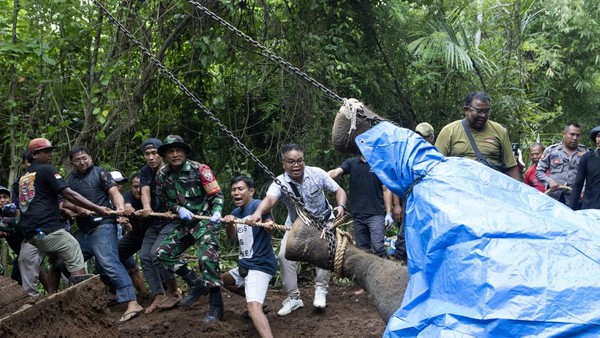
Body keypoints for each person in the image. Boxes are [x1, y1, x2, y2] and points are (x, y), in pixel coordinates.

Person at [247, 144, 348, 316]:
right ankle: (294, 297)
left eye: (300, 161)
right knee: (283, 256)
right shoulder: (280, 182)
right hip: (297, 224)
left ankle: (321, 290)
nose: (296, 165)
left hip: (323, 221)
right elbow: (270, 199)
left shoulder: (317, 173)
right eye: (291, 161)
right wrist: (257, 213)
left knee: (323, 253)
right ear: (283, 163)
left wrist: (340, 206)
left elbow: (338, 190)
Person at [18, 138, 110, 291]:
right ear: (34, 155)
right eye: (46, 152)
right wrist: (98, 208)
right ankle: (83, 295)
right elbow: (69, 194)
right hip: (46, 229)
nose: (50, 154)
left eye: (50, 151)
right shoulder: (47, 169)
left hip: (34, 234)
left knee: (56, 256)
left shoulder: (25, 176)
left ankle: (53, 296)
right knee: (72, 246)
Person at [64, 146, 143, 324]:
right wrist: (77, 209)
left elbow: (114, 193)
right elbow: (65, 201)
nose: (82, 162)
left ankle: (132, 302)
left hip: (103, 225)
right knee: (66, 263)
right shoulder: (71, 180)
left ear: (90, 157)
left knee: (108, 261)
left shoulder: (101, 173)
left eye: (84, 158)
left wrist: (120, 208)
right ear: (72, 163)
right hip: (83, 229)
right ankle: (92, 300)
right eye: (77, 160)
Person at [155, 135, 225, 323]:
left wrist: (217, 212)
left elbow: (216, 195)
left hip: (205, 221)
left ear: (185, 152)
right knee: (162, 253)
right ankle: (196, 283)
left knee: (207, 259)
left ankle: (216, 303)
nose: (175, 154)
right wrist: (178, 208)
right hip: (185, 223)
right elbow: (165, 200)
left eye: (179, 150)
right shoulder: (162, 175)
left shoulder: (200, 169)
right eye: (171, 151)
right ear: (165, 155)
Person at [221, 176, 276, 338]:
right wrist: (230, 223)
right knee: (225, 279)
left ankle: (256, 306)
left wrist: (267, 224)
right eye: (233, 190)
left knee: (252, 308)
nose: (236, 193)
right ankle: (257, 300)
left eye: (240, 189)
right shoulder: (236, 212)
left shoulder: (258, 205)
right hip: (245, 264)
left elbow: (270, 227)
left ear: (251, 191)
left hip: (260, 264)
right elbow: (231, 237)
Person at [136, 138, 180, 314]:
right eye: (147, 154)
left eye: (154, 153)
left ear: (161, 153)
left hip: (172, 220)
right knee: (145, 256)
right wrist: (146, 207)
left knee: (157, 253)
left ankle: (173, 292)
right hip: (155, 221)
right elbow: (145, 190)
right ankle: (158, 295)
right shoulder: (146, 171)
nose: (151, 157)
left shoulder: (170, 169)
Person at [435, 91, 520, 180]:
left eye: (486, 111)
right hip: (458, 187)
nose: (483, 115)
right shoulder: (449, 131)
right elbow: (436, 164)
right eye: (478, 111)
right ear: (466, 110)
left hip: (491, 187)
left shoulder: (499, 131)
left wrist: (517, 192)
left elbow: (511, 166)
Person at [328, 154, 393, 258]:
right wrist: (320, 176)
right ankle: (368, 273)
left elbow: (386, 189)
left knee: (378, 248)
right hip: (358, 215)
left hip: (375, 214)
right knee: (362, 250)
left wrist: (389, 213)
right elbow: (336, 172)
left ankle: (385, 272)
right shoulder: (351, 162)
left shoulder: (378, 162)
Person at [536, 122, 587, 205]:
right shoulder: (551, 150)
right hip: (554, 196)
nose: (575, 138)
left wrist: (584, 189)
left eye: (577, 135)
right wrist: (549, 182)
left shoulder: (585, 153)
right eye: (572, 134)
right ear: (564, 134)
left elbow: (589, 175)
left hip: (576, 197)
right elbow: (539, 171)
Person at [117, 173, 149, 297]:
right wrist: (129, 209)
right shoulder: (127, 196)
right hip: (136, 233)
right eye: (135, 186)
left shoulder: (153, 195)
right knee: (116, 253)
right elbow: (127, 204)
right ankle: (121, 290)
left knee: (149, 257)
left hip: (152, 233)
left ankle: (163, 290)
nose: (138, 190)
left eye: (141, 187)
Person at [569, 126, 600, 210]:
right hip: (590, 209)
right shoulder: (587, 157)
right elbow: (578, 184)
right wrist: (570, 209)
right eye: (598, 136)